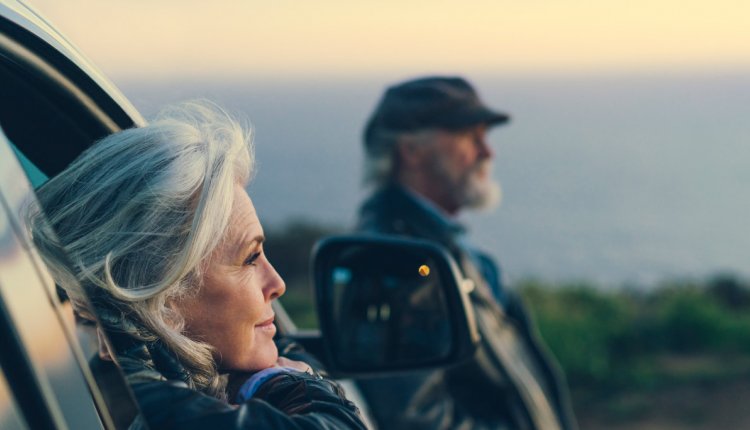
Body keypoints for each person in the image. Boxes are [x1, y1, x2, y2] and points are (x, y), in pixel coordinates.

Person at [28, 101, 366, 429]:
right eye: (250, 258)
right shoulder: (145, 411)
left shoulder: (84, 387)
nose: (277, 283)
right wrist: (285, 383)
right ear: (162, 298)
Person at [355, 76, 578, 430]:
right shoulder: (392, 262)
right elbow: (414, 420)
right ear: (411, 151)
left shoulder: (440, 247)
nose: (488, 152)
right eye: (470, 137)